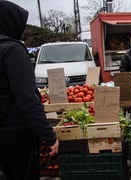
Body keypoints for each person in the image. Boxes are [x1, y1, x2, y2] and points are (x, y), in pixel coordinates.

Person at [0, 1, 59, 180]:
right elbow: (26, 99)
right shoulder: (12, 50)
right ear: (10, 22)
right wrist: (49, 136)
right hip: (15, 133)